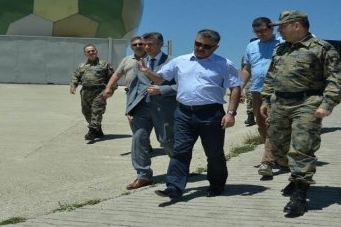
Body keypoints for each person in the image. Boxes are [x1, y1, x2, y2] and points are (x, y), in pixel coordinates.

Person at [140, 29, 242, 201]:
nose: (201, 48)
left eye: (206, 47)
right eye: (198, 44)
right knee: (180, 151)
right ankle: (174, 187)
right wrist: (147, 71)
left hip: (211, 114)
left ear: (215, 47)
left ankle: (217, 185)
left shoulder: (224, 64)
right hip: (184, 113)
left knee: (214, 152)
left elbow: (236, 88)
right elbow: (160, 79)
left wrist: (231, 113)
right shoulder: (181, 61)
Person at [261, 10, 341, 217]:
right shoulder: (281, 49)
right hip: (280, 103)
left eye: (282, 26)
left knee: (301, 149)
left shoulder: (321, 48)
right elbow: (272, 74)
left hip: (307, 102)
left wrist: (327, 103)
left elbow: (335, 80)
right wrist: (265, 98)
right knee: (279, 149)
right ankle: (295, 177)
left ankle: (299, 195)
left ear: (296, 25)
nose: (279, 30)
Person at [124, 32, 177, 190]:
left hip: (164, 108)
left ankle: (180, 167)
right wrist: (129, 107)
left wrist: (163, 90)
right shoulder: (140, 62)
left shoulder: (172, 62)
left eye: (150, 44)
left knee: (166, 140)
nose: (146, 47)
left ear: (160, 44)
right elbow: (135, 86)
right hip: (142, 107)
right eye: (144, 44)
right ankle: (143, 175)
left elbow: (183, 86)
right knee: (139, 138)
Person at [240, 17, 281, 177]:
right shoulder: (251, 46)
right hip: (257, 90)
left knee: (272, 124)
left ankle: (267, 162)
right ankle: (276, 155)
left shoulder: (283, 42)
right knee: (261, 125)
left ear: (272, 29)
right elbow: (246, 69)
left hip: (277, 91)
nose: (261, 34)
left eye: (264, 30)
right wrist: (240, 87)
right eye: (257, 31)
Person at [70, 44, 115, 141]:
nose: (91, 53)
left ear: (96, 51)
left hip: (99, 91)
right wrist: (73, 85)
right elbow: (76, 76)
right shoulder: (82, 66)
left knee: (96, 111)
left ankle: (92, 131)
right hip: (85, 92)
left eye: (93, 50)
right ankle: (98, 130)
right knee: (86, 112)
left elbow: (112, 78)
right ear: (85, 53)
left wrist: (111, 90)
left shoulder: (104, 64)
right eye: (88, 51)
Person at [103, 36, 146, 132]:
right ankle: (139, 141)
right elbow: (116, 75)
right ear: (131, 47)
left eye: (140, 44)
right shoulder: (127, 60)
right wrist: (108, 87)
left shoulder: (151, 58)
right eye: (135, 45)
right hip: (131, 93)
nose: (138, 46)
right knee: (131, 117)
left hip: (148, 94)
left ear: (145, 45)